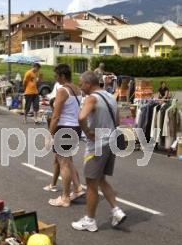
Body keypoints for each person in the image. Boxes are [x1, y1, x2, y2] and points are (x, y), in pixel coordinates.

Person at [71, 71, 126, 232]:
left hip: (97, 146)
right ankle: (117, 211)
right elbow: (117, 121)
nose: (80, 87)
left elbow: (81, 117)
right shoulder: (110, 96)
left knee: (91, 184)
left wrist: (87, 131)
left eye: (81, 84)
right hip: (111, 142)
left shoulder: (91, 98)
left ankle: (89, 220)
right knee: (101, 179)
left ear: (89, 84)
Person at [48, 64, 84, 207]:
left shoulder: (62, 90)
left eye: (56, 76)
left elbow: (56, 116)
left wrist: (50, 134)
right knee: (68, 161)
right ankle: (77, 188)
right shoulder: (77, 90)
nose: (55, 79)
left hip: (64, 128)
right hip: (75, 128)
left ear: (62, 76)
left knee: (63, 164)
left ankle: (65, 197)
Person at [43, 98, 60, 192]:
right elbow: (51, 129)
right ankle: (53, 184)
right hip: (59, 138)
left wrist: (50, 138)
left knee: (62, 163)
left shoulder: (54, 116)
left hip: (60, 138)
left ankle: (53, 185)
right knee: (60, 162)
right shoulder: (51, 116)